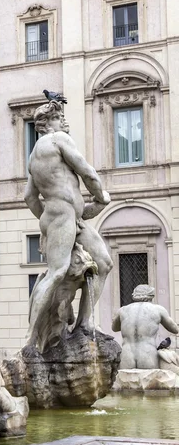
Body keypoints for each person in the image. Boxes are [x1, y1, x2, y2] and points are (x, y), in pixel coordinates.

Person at [24, 100, 113, 351]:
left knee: (104, 262)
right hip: (63, 216)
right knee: (57, 272)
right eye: (58, 117)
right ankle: (30, 339)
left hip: (69, 218)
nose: (63, 121)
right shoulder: (59, 139)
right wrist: (100, 195)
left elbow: (29, 197)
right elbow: (87, 172)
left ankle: (84, 323)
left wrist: (47, 217)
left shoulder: (33, 156)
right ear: (47, 123)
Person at [111, 284, 179, 369]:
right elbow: (175, 329)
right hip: (148, 356)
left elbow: (114, 328)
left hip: (126, 357)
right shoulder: (158, 309)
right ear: (151, 295)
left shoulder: (122, 310)